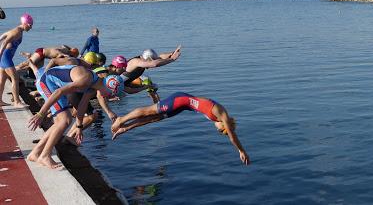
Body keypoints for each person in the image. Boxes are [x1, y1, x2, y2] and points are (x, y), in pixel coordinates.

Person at [27, 61, 124, 169]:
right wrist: (41, 113)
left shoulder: (93, 87)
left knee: (63, 120)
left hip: (55, 85)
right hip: (46, 81)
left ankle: (35, 153)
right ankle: (45, 155)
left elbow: (82, 106)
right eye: (110, 94)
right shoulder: (86, 80)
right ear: (108, 87)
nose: (108, 97)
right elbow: (59, 92)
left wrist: (79, 126)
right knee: (64, 121)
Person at [111, 92, 250, 165]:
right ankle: (121, 119)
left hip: (183, 106)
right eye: (221, 131)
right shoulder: (223, 115)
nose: (218, 130)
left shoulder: (220, 119)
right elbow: (232, 136)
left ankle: (125, 128)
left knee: (155, 118)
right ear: (226, 126)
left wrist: (126, 129)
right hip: (180, 100)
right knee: (150, 111)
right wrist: (241, 151)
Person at [0, 14, 33, 107]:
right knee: (15, 78)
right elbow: (5, 42)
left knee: (2, 80)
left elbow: (3, 36)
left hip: (5, 58)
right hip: (6, 58)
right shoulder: (17, 32)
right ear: (25, 23)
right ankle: (17, 102)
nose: (31, 27)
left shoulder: (17, 30)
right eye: (30, 25)